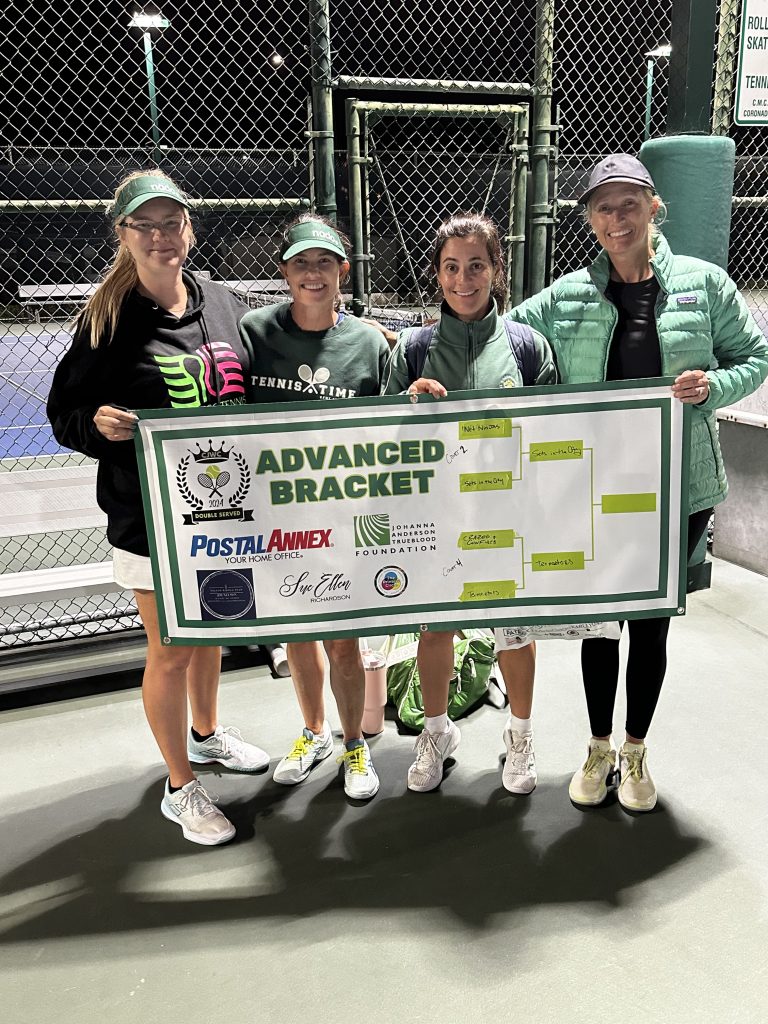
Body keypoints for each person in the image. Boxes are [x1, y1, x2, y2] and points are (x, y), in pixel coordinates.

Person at [505, 153, 768, 812]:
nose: (617, 218)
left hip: (677, 486)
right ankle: (597, 748)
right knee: (600, 625)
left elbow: (755, 357)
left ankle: (635, 749)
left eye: (629, 203)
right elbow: (500, 339)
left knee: (650, 625)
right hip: (593, 488)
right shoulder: (568, 295)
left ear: (654, 207)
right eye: (604, 207)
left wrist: (712, 387)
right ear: (590, 219)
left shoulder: (704, 284)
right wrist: (415, 346)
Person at [47, 170, 270, 846]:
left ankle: (205, 734)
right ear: (123, 234)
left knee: (211, 632)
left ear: (189, 229)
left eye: (171, 222)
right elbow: (64, 413)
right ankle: (181, 787)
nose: (160, 236)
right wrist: (97, 426)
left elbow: (262, 374)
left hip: (224, 512)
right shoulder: (106, 319)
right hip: (150, 520)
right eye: (144, 225)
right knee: (170, 648)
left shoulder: (222, 301)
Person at [382, 211, 557, 795]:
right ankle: (437, 732)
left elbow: (556, 430)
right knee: (436, 630)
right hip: (438, 520)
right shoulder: (413, 349)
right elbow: (380, 437)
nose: (463, 280)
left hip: (508, 518)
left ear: (496, 269)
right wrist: (409, 404)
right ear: (437, 273)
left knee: (514, 632)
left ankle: (520, 735)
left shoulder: (527, 348)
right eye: (451, 267)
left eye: (476, 265)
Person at [239, 213, 391, 800]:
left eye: (324, 262)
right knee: (298, 635)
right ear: (284, 271)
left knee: (343, 641)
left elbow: (387, 428)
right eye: (301, 262)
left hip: (343, 517)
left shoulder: (369, 343)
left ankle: (355, 743)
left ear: (342, 272)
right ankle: (314, 731)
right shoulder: (254, 331)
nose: (312, 273)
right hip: (277, 515)